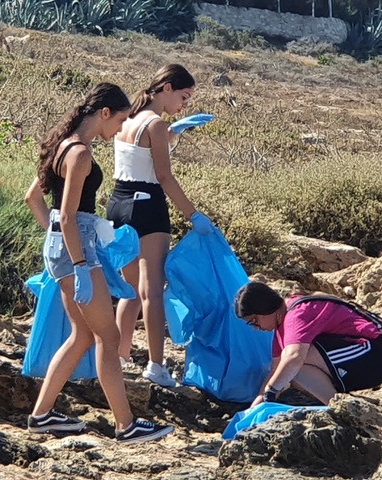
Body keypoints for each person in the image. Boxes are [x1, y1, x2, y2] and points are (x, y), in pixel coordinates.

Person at [24, 83, 174, 444]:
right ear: (104, 113)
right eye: (120, 120)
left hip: (65, 250)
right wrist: (78, 263)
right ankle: (126, 425)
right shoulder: (80, 154)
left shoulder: (63, 144)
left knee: (82, 335)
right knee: (108, 336)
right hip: (78, 254)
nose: (120, 128)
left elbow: (34, 199)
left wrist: (55, 240)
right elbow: (70, 216)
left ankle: (41, 415)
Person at [106, 64, 214, 387]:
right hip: (148, 205)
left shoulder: (129, 119)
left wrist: (173, 134)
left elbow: (140, 153)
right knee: (152, 290)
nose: (184, 105)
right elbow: (164, 177)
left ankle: (119, 355)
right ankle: (156, 365)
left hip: (119, 203)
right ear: (166, 88)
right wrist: (193, 215)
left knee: (130, 290)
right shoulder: (155, 123)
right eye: (184, 97)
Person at [234, 281, 382, 406]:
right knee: (287, 371)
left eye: (254, 321)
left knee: (294, 364)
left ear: (264, 309)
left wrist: (271, 392)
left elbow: (294, 357)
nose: (255, 328)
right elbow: (275, 371)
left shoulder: (297, 314)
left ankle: (340, 406)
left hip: (374, 353)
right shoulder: (281, 328)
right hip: (359, 357)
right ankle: (340, 405)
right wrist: (256, 407)